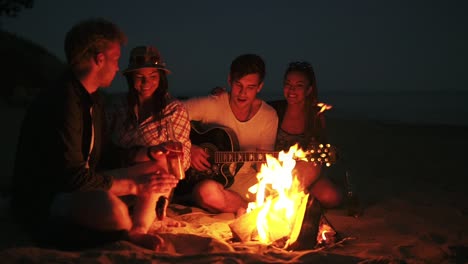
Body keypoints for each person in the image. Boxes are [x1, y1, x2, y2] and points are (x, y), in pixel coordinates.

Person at [10, 18, 178, 251]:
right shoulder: (63, 101)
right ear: (100, 59)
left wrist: (147, 153)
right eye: (116, 59)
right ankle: (120, 227)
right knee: (112, 211)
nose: (118, 68)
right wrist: (134, 186)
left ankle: (137, 229)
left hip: (82, 185)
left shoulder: (93, 98)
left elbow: (104, 154)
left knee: (158, 166)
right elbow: (73, 178)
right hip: (50, 198)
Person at [183, 54, 278, 215]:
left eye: (250, 87)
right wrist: (189, 147)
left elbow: (263, 163)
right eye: (238, 84)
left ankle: (244, 208)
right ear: (229, 80)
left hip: (242, 178)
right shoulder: (212, 104)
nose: (242, 93)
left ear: (260, 87)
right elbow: (169, 114)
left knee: (280, 194)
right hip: (204, 180)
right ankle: (252, 210)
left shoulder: (268, 115)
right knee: (208, 193)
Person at [106, 46, 191, 224]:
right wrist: (144, 154)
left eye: (153, 77)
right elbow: (105, 149)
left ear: (161, 77)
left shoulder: (173, 110)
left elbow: (182, 163)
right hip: (121, 174)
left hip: (158, 183)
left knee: (163, 165)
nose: (146, 83)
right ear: (130, 78)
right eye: (140, 77)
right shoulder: (115, 106)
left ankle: (146, 220)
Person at [269, 61, 342, 208]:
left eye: (299, 86)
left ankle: (293, 198)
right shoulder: (273, 109)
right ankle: (294, 201)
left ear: (309, 90)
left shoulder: (315, 115)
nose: (291, 90)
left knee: (332, 197)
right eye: (288, 84)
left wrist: (316, 149)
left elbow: (319, 154)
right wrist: (221, 95)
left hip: (306, 175)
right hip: (275, 174)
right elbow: (246, 105)